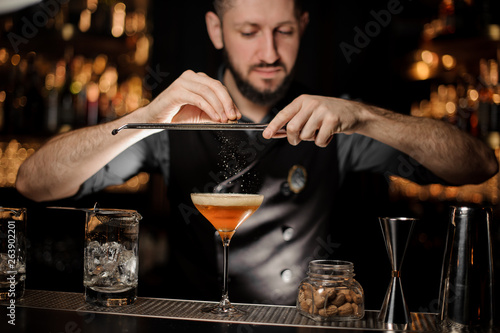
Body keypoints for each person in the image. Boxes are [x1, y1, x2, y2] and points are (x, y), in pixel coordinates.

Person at [16, 0, 498, 305]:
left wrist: (365, 117)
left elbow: (478, 165)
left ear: (303, 24)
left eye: (283, 31)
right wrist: (147, 116)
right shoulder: (170, 124)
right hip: (195, 322)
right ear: (215, 28)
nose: (268, 52)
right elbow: (33, 184)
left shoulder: (334, 121)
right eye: (248, 31)